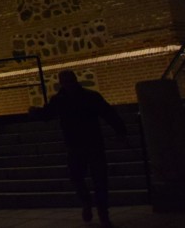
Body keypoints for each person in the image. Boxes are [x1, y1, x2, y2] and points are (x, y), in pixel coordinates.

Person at [29, 70, 127, 227]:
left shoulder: (61, 99)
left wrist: (35, 112)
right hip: (90, 143)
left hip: (77, 144)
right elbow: (109, 114)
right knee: (96, 179)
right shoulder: (88, 96)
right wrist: (120, 131)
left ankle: (91, 205)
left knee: (81, 177)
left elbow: (47, 115)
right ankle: (101, 212)